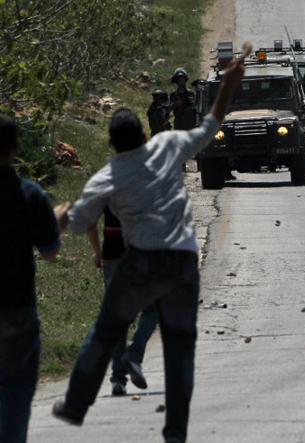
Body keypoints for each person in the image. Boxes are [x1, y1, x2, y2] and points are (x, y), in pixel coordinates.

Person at [51, 50, 247, 443]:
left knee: (107, 329)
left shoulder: (106, 176)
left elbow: (74, 226)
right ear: (144, 134)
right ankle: (175, 432)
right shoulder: (169, 146)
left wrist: (58, 214)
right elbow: (212, 124)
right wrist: (228, 83)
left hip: (139, 264)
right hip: (183, 263)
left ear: (109, 142)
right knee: (179, 350)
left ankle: (75, 403)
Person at [0, 114, 70, 443]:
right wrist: (56, 221)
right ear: (15, 148)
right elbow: (50, 252)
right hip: (16, 307)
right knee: (15, 389)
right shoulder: (30, 194)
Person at [86, 207, 159, 396]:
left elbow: (90, 222)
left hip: (112, 256)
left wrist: (96, 251)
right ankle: (134, 355)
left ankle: (118, 381)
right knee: (152, 309)